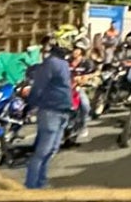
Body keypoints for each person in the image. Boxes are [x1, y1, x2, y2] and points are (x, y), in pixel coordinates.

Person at [24, 34, 74, 189]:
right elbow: (38, 87)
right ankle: (32, 186)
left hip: (62, 110)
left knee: (51, 150)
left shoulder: (62, 63)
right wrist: (30, 104)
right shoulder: (51, 64)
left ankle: (41, 182)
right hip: (51, 111)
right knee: (43, 151)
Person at [68, 38, 96, 137]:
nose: (75, 51)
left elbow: (95, 73)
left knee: (85, 106)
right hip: (65, 88)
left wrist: (86, 77)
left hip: (79, 89)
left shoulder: (87, 63)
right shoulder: (67, 61)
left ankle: (83, 126)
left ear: (82, 51)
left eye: (78, 49)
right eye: (74, 49)